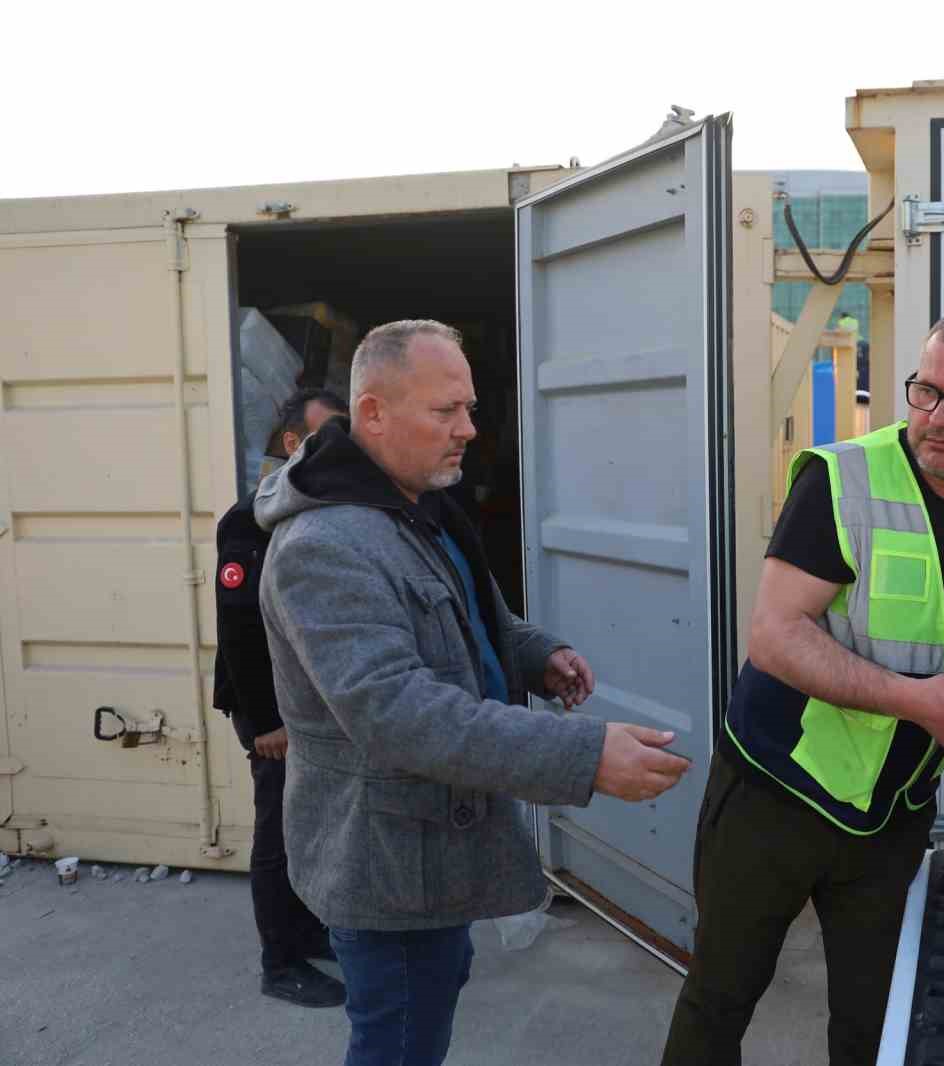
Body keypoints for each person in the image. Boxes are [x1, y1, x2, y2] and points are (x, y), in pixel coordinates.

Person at [254, 320, 690, 1066]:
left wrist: (533, 653)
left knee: (429, 997)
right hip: (386, 864)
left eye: (470, 408)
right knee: (397, 1038)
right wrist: (582, 755)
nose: (468, 431)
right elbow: (396, 713)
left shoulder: (415, 506)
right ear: (373, 415)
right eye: (445, 412)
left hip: (430, 854)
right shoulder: (325, 547)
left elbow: (468, 614)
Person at [662, 310, 944, 1065]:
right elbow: (773, 635)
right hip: (777, 793)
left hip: (891, 815)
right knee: (720, 1000)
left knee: (876, 1022)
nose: (937, 419)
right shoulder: (843, 479)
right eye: (926, 392)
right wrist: (917, 702)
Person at [214, 387, 349, 1008]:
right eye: (328, 435)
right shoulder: (250, 520)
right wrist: (265, 722)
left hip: (301, 703)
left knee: (306, 825)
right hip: (266, 709)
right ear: (294, 444)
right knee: (277, 833)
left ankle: (305, 929)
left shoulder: (311, 509)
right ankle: (280, 962)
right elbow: (238, 629)